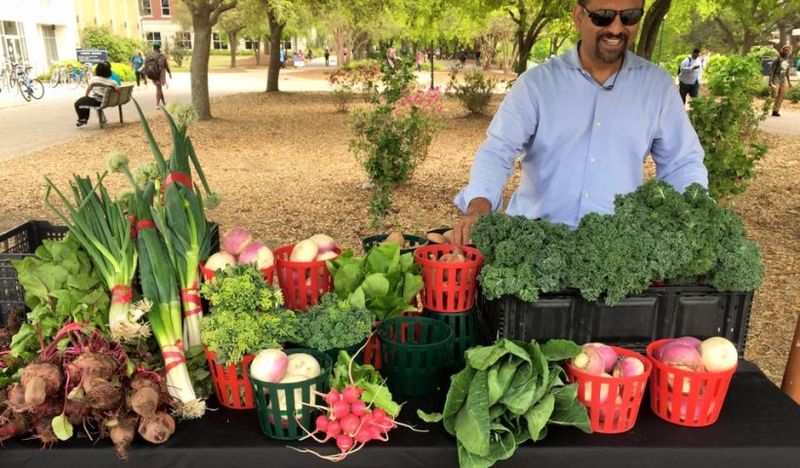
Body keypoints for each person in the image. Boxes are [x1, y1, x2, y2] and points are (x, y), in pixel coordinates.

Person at [452, 0, 708, 245]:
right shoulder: (537, 85)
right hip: (533, 245)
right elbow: (498, 150)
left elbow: (682, 164)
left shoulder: (657, 87)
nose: (617, 28)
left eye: (629, 16)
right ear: (578, 16)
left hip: (618, 253)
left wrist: (695, 215)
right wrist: (480, 203)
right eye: (603, 16)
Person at [74, 61, 118, 127]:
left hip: (97, 101)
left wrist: (86, 95)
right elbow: (118, 91)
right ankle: (84, 119)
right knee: (85, 102)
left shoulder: (94, 79)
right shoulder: (113, 82)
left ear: (97, 71)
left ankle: (83, 118)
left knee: (78, 103)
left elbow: (89, 89)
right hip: (107, 101)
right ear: (109, 71)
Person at [143, 42, 172, 109]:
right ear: (159, 47)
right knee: (158, 88)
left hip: (152, 73)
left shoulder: (149, 55)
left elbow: (145, 66)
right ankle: (157, 105)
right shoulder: (162, 56)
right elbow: (166, 66)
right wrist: (169, 73)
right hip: (160, 74)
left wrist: (145, 76)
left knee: (159, 88)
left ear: (153, 47)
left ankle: (164, 103)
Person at [769, 44, 793, 117]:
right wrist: (770, 81)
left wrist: (789, 82)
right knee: (774, 94)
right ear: (782, 50)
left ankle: (775, 111)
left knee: (781, 95)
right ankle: (766, 106)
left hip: (783, 79)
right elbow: (772, 71)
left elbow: (787, 72)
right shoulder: (777, 59)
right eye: (785, 50)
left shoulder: (788, 60)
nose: (786, 51)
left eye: (788, 50)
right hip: (776, 77)